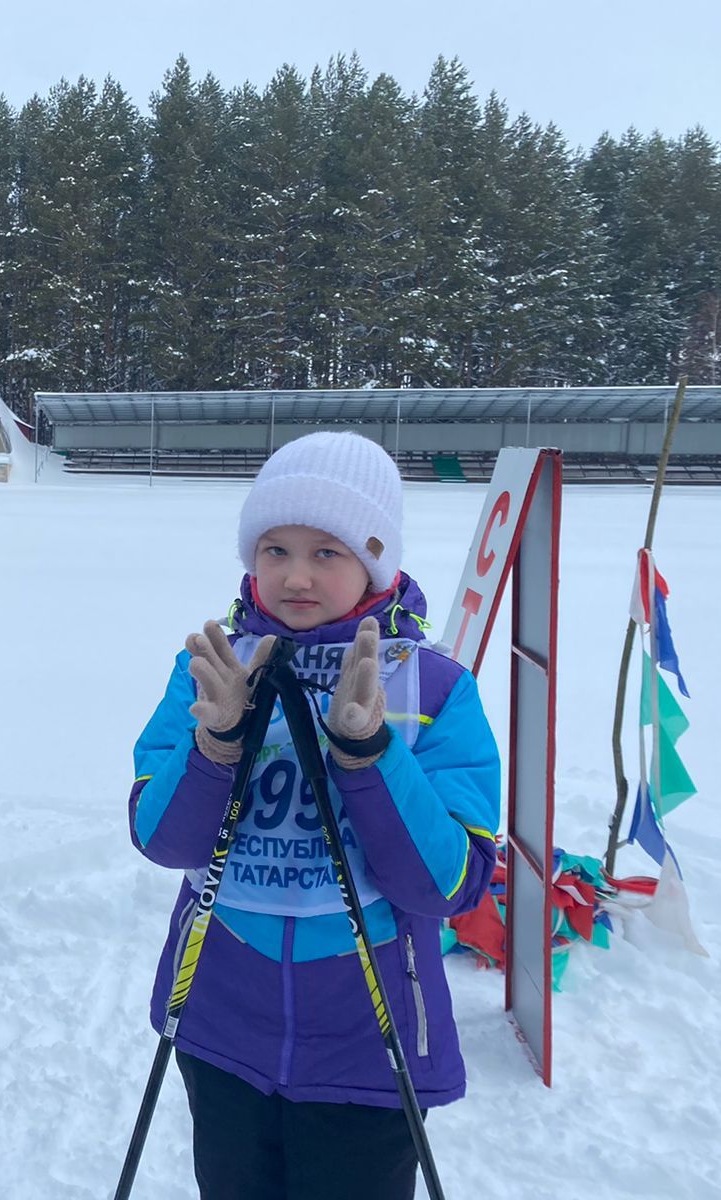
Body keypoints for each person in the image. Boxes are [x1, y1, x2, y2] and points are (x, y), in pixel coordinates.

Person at [127, 432, 501, 1200]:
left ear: (373, 561)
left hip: (369, 1049)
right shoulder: (215, 665)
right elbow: (160, 837)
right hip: (221, 1030)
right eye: (274, 548)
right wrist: (214, 745)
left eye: (327, 552)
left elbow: (451, 884)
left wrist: (372, 759)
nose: (295, 575)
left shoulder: (429, 689)